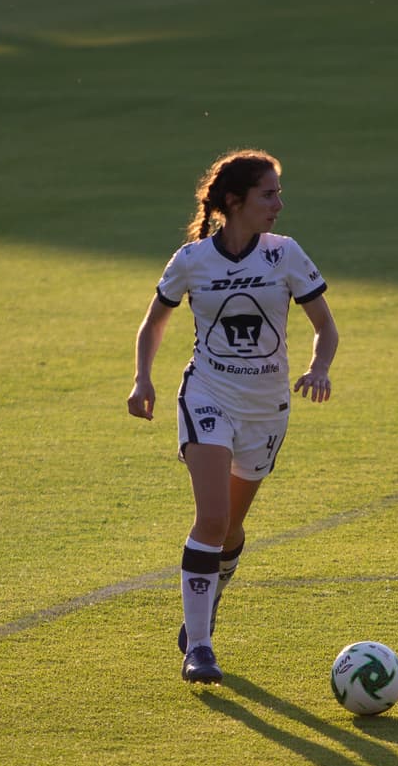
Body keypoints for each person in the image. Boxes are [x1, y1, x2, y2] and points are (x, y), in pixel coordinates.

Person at [127, 149, 339, 684]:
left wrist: (319, 367)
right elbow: (153, 323)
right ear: (234, 201)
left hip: (267, 409)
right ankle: (199, 647)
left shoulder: (285, 255)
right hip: (207, 395)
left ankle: (212, 589)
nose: (279, 204)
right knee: (213, 518)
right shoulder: (191, 260)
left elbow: (325, 326)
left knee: (232, 529)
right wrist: (142, 378)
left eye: (278, 193)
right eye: (268, 194)